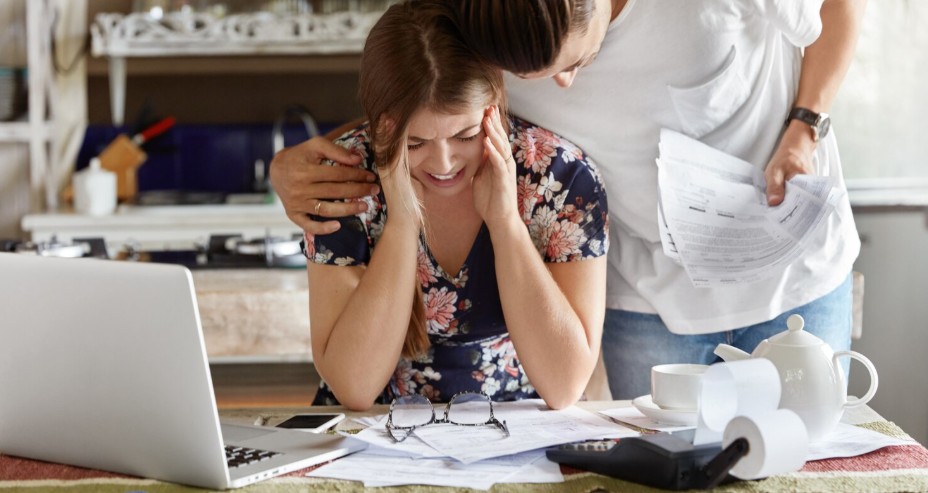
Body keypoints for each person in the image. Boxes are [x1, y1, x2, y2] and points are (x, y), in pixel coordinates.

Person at [272, 0, 865, 400]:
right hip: (649, 292)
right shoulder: (485, 20)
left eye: (576, 59)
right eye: (533, 73)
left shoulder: (698, 12)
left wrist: (805, 126)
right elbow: (425, 79)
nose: (563, 86)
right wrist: (304, 161)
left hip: (789, 264)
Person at [303, 1, 609, 411]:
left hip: (513, 429)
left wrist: (505, 223)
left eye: (465, 136)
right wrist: (402, 221)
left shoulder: (561, 179)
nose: (444, 164)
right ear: (381, 127)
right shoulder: (343, 180)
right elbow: (353, 389)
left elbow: (565, 385)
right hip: (373, 433)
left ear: (495, 105)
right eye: (415, 144)